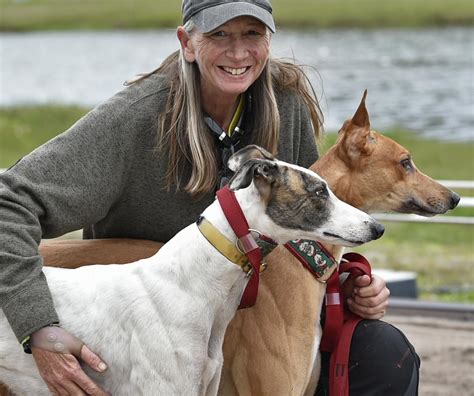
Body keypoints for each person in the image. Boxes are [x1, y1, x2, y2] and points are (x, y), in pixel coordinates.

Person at [0, 0, 419, 394]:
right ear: (187, 42)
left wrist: (350, 281)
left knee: (385, 354)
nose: (238, 53)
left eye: (252, 34)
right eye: (219, 34)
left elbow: (310, 224)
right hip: (143, 334)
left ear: (268, 41)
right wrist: (38, 326)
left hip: (248, 315)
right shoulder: (134, 118)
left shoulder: (286, 105)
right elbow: (8, 203)